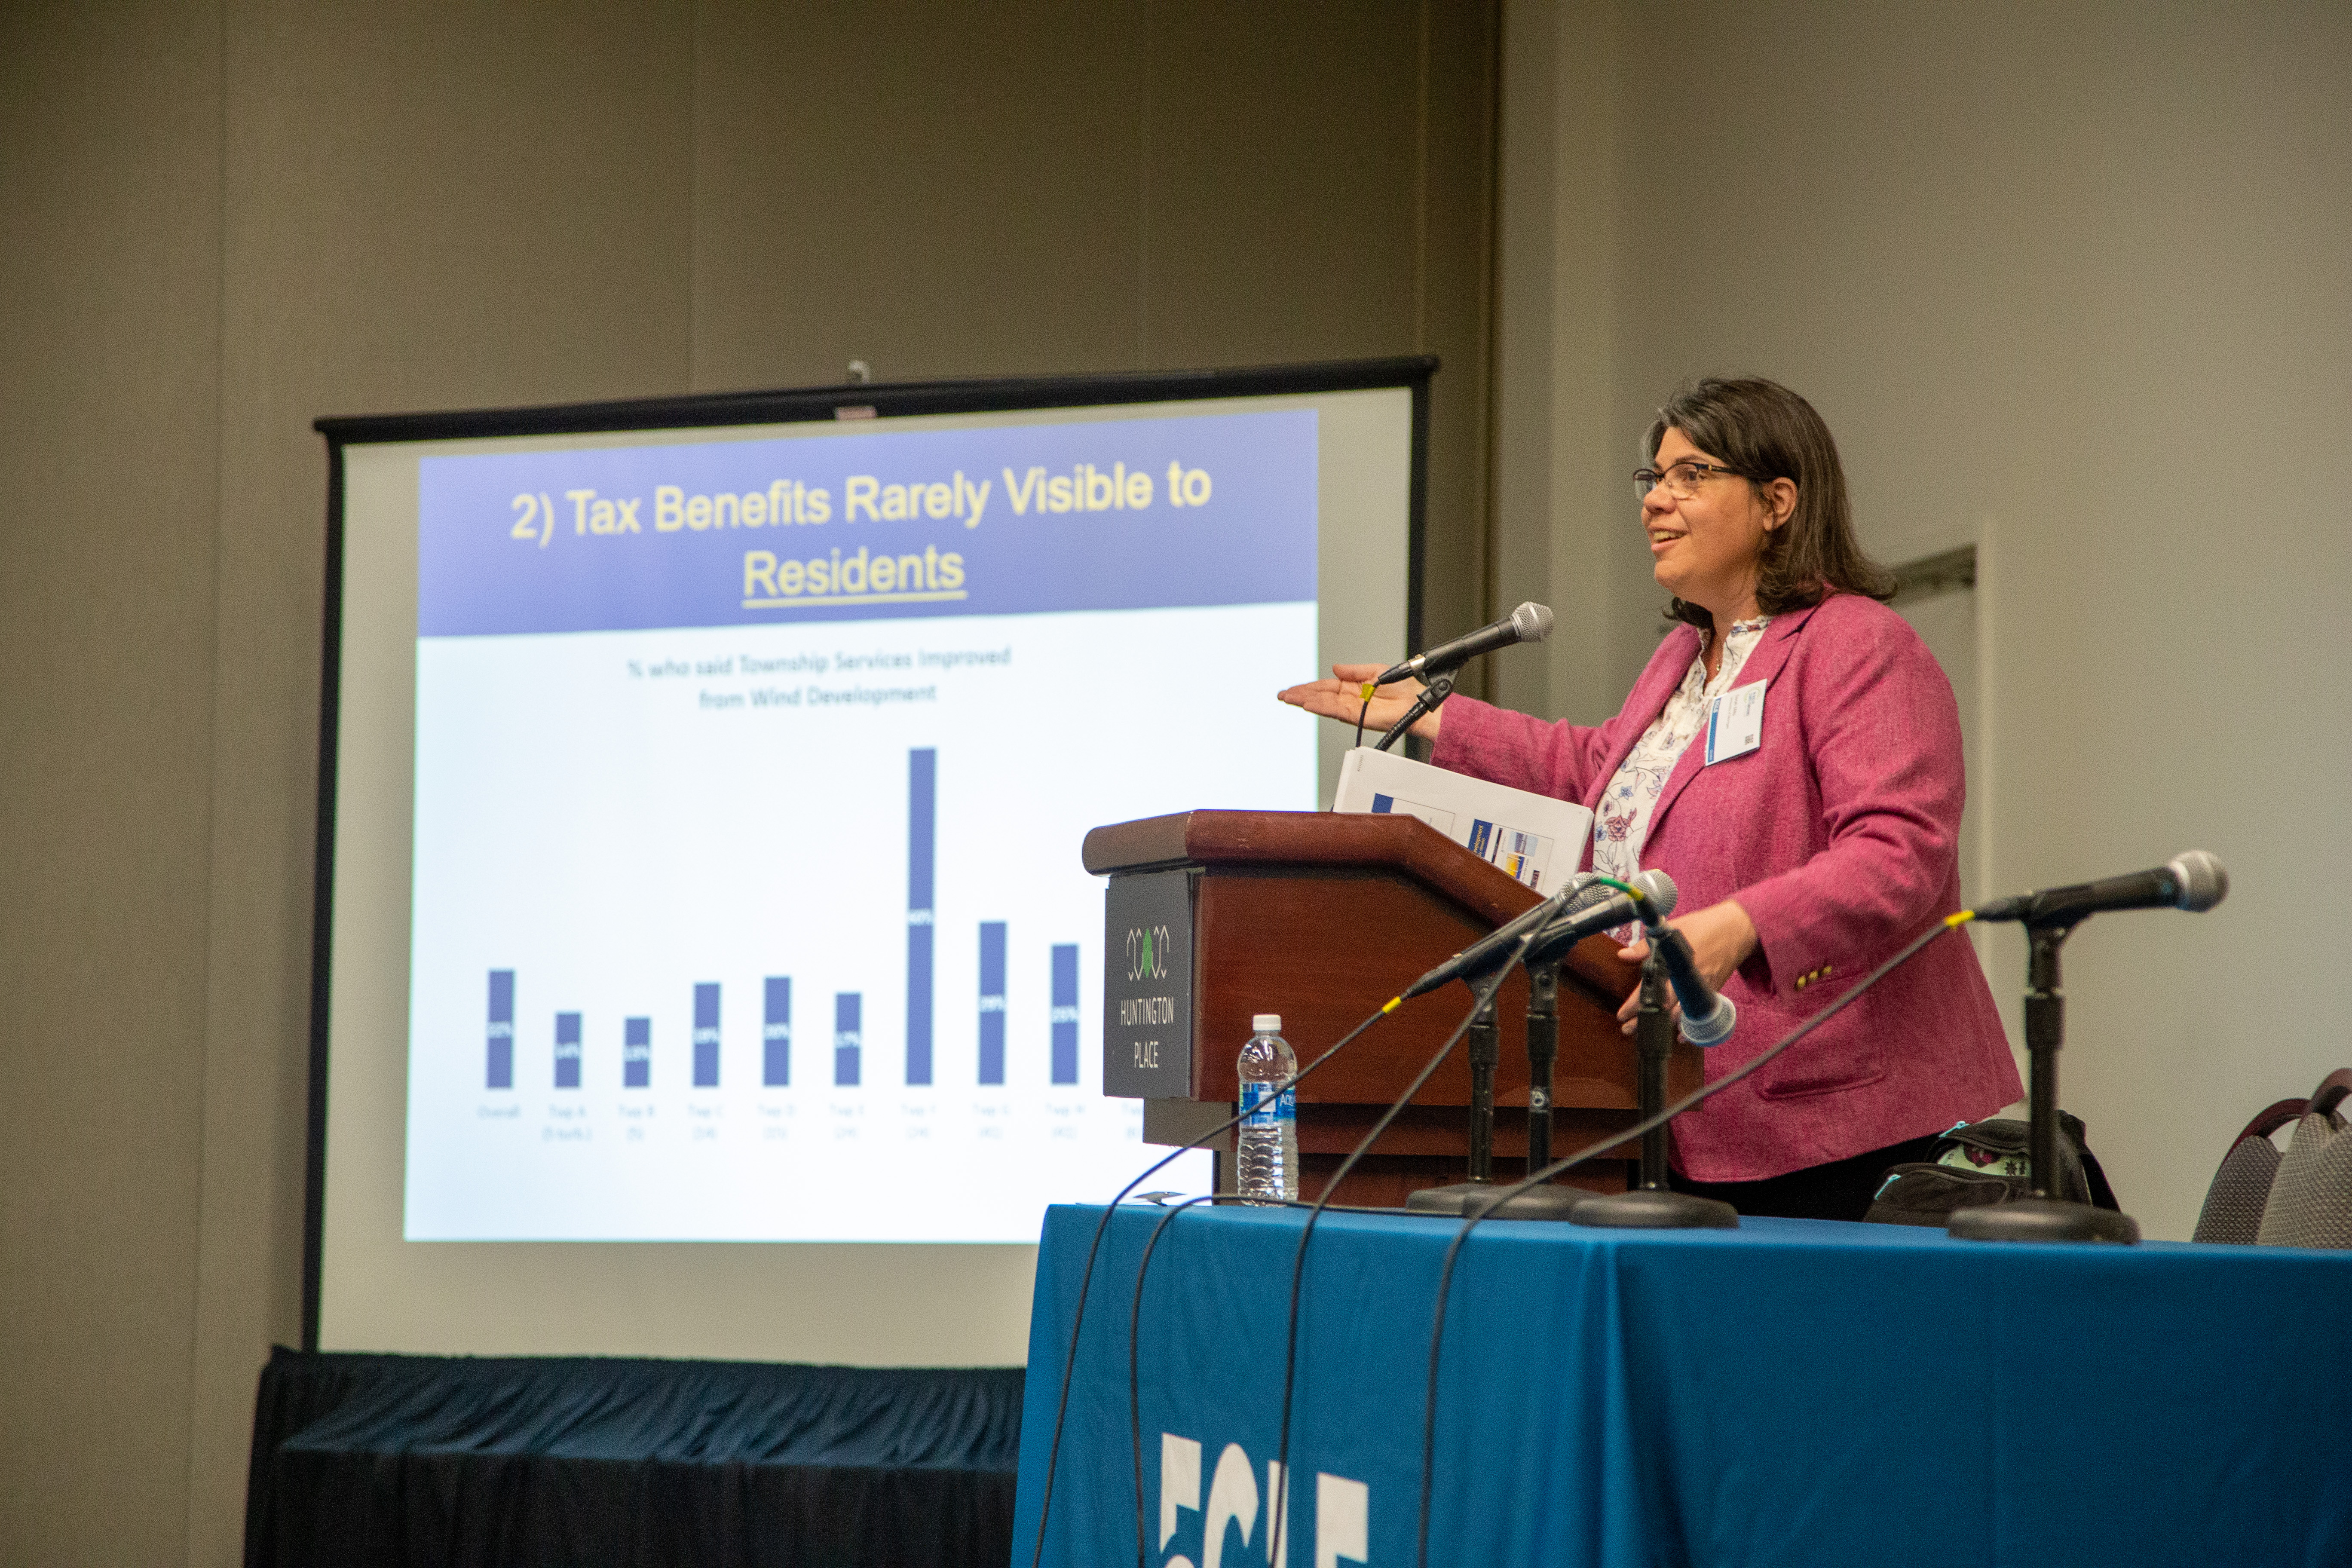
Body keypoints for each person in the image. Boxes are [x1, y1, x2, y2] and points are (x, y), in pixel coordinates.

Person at [1278, 376, 2021, 1221]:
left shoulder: (1857, 644)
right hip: (1683, 1102)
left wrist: (1735, 928)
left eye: (1691, 476)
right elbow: (1599, 772)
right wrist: (1435, 720)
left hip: (1832, 1118)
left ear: (1778, 501)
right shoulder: (1685, 657)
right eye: (1653, 479)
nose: (1657, 501)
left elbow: (1899, 857)